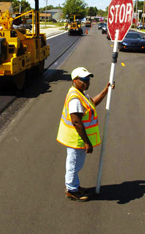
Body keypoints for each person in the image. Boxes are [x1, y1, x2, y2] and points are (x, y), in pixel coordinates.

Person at [56, 67, 115, 202]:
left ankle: (74, 186)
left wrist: (106, 91)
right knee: (74, 164)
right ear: (75, 80)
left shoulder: (81, 93)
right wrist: (87, 142)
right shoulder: (75, 98)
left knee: (77, 164)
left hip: (78, 139)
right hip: (76, 139)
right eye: (83, 80)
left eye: (88, 79)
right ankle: (71, 190)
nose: (87, 82)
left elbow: (92, 103)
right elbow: (76, 122)